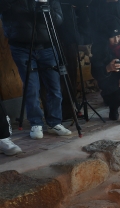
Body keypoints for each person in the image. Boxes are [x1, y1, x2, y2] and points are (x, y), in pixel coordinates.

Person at [1, 0, 72, 139]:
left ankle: (54, 123)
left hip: (47, 46)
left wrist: (43, 4)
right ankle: (36, 123)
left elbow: (58, 20)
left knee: (54, 87)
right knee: (31, 87)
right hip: (21, 47)